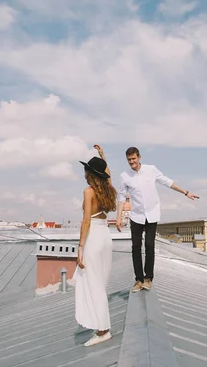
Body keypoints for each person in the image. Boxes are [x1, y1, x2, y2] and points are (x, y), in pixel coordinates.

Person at [116, 146, 199, 293]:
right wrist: (118, 218)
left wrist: (185, 192)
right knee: (135, 248)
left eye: (134, 159)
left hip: (152, 214)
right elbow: (121, 197)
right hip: (136, 216)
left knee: (149, 245)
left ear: (139, 157)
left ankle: (148, 279)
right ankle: (138, 279)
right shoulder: (124, 176)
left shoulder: (151, 170)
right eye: (129, 160)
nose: (131, 162)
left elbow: (168, 182)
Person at [75, 145, 117, 347]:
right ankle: (102, 326)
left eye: (86, 170)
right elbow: (108, 174)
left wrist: (80, 247)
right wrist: (103, 156)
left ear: (90, 173)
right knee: (100, 283)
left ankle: (103, 331)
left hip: (92, 238)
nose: (84, 173)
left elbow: (86, 222)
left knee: (95, 286)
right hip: (105, 238)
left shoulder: (88, 191)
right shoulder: (107, 189)